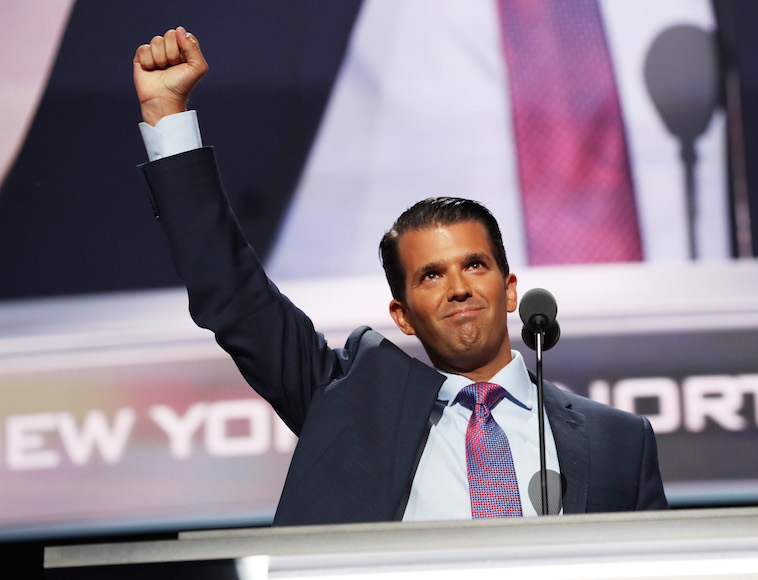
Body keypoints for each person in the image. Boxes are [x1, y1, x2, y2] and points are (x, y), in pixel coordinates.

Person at [134, 27, 667, 526]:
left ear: (509, 291)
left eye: (475, 265)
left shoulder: (617, 440)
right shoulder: (350, 404)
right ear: (402, 316)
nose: (458, 286)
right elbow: (236, 298)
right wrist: (166, 114)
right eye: (431, 276)